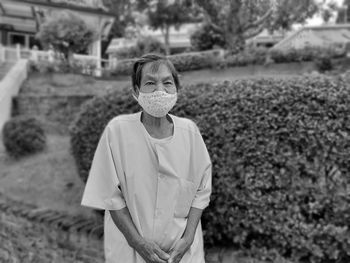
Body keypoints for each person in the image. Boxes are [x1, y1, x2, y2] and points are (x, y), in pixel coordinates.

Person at [81, 53, 212, 263]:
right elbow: (109, 195)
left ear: (176, 89)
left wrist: (187, 239)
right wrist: (138, 243)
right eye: (150, 83)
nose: (160, 90)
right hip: (131, 252)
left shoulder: (190, 132)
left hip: (183, 253)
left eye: (167, 83)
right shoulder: (118, 131)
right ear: (136, 90)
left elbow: (201, 191)